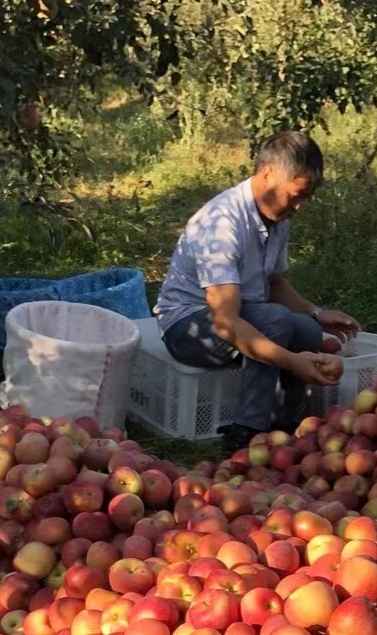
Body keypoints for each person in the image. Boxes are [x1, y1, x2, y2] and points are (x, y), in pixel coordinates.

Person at [153, 130, 360, 452]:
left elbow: (274, 283)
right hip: (188, 327)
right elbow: (225, 323)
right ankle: (246, 433)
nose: (299, 206)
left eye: (306, 197)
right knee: (277, 320)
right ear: (267, 175)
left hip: (247, 314)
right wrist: (292, 361)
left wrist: (317, 314)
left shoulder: (278, 216)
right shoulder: (222, 225)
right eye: (296, 195)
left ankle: (283, 427)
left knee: (303, 327)